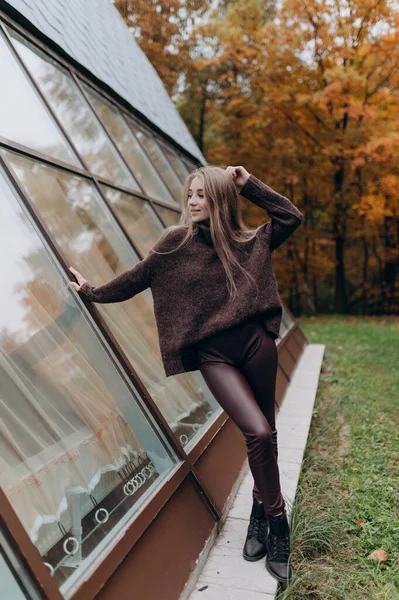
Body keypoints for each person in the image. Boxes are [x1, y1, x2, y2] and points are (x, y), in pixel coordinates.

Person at [69, 164, 303, 584]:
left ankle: (257, 516)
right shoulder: (173, 244)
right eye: (189, 194)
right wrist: (91, 292)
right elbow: (134, 280)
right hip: (214, 355)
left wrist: (248, 183)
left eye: (201, 194)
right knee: (260, 432)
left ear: (219, 198)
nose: (192, 201)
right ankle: (279, 524)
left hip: (256, 344)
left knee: (265, 429)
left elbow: (290, 216)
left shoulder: (249, 242)